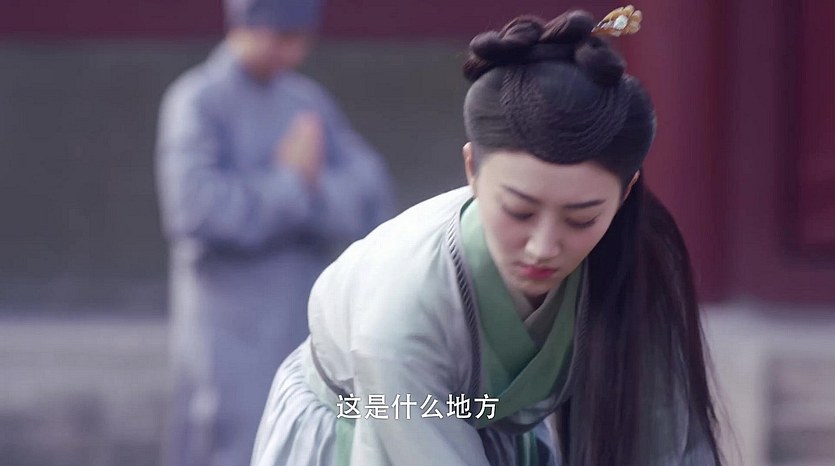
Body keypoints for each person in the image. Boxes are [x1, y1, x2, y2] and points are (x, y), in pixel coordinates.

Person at [251, 6, 722, 466]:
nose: (543, 247)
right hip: (367, 422)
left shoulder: (634, 256)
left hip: (486, 429)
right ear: (472, 169)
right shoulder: (402, 304)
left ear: (626, 193)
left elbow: (668, 443)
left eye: (581, 219)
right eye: (519, 211)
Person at [154, 0, 395, 463]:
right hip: (229, 329)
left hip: (303, 318)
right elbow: (194, 209)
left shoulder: (306, 103)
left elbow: (369, 193)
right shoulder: (198, 100)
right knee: (231, 442)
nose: (292, 53)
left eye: (300, 40)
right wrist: (290, 185)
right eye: (280, 37)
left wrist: (308, 190)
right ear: (244, 25)